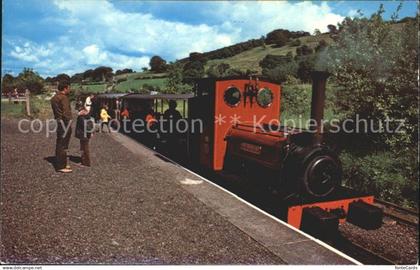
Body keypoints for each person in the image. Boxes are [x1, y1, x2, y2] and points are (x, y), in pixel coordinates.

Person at [51, 82, 73, 173]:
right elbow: (66, 113)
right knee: (63, 144)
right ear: (65, 88)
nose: (69, 89)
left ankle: (60, 162)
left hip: (59, 121)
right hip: (65, 123)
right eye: (68, 88)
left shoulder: (54, 98)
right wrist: (69, 122)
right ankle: (61, 166)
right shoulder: (64, 98)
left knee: (59, 142)